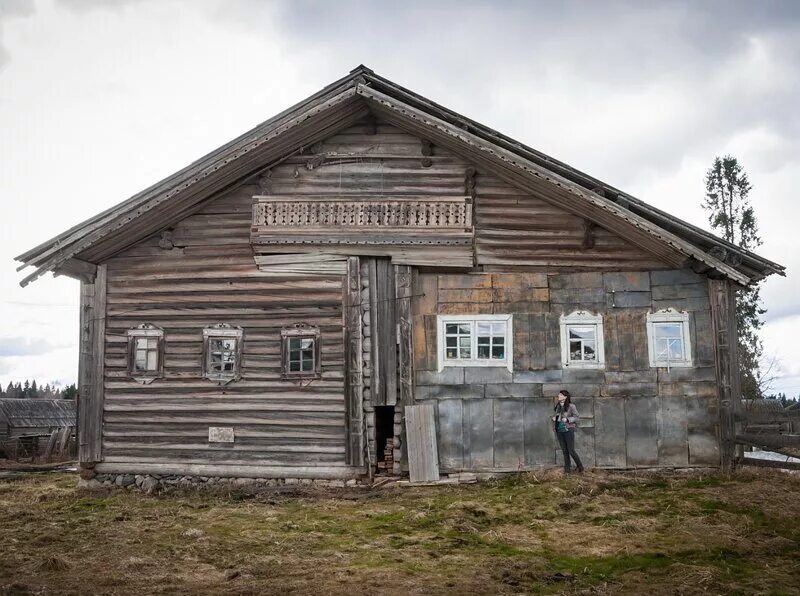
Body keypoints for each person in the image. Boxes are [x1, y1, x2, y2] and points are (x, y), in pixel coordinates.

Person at [552, 389, 584, 473]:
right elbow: (559, 416)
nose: (559, 396)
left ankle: (580, 466)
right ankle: (567, 470)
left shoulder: (571, 406)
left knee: (571, 450)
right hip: (559, 430)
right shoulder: (558, 406)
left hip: (568, 430)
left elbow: (577, 418)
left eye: (561, 395)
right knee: (564, 451)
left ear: (565, 397)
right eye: (559, 395)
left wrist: (567, 419)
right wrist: (555, 418)